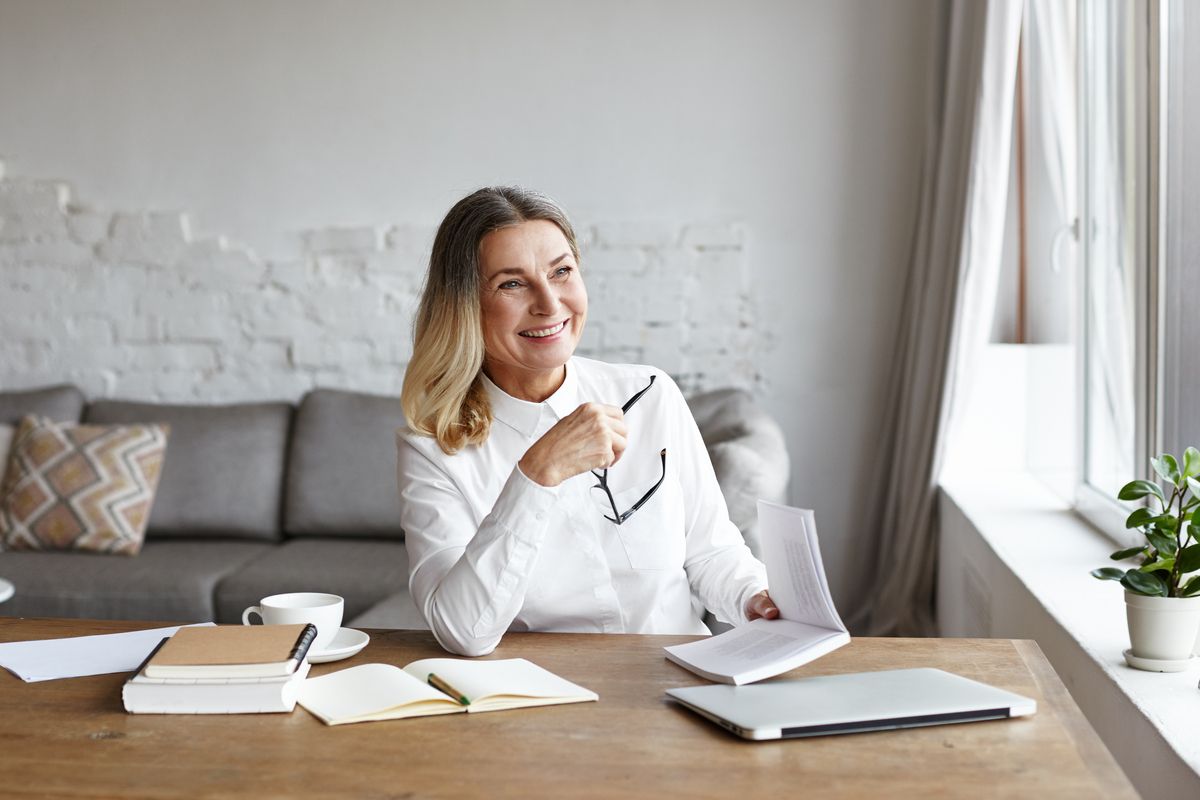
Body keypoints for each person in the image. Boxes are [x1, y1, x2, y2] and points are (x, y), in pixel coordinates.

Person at [397, 186, 778, 656]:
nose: (550, 304)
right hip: (547, 700)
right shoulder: (434, 448)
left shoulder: (650, 394)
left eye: (562, 272)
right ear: (465, 305)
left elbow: (711, 550)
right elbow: (462, 632)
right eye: (511, 284)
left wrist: (756, 599)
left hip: (681, 680)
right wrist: (535, 475)